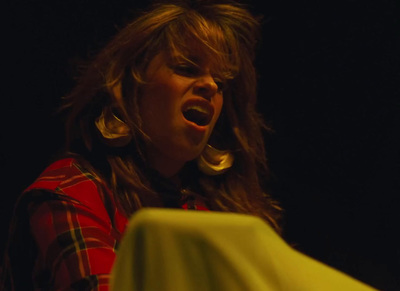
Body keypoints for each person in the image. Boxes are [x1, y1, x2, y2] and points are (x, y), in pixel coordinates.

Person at [1, 1, 283, 290]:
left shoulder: (216, 215)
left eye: (221, 81)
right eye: (186, 68)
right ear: (129, 87)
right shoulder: (70, 193)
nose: (210, 85)